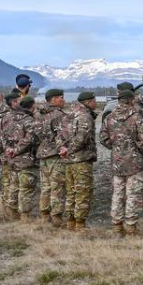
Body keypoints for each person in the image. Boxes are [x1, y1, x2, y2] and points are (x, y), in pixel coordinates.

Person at [100, 89, 143, 235]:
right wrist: (139, 152)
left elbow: (103, 138)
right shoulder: (136, 117)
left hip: (117, 162)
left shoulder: (109, 117)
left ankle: (117, 225)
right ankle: (131, 226)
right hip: (134, 162)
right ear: (131, 100)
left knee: (118, 193)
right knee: (133, 194)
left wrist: (117, 148)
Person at [59, 91, 99, 231]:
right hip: (81, 160)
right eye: (94, 101)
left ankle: (70, 223)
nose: (96, 103)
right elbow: (82, 138)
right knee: (83, 192)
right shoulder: (85, 116)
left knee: (71, 192)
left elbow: (59, 136)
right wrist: (69, 150)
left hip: (68, 161)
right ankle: (80, 225)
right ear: (87, 102)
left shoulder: (68, 115)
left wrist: (63, 150)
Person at [35, 89, 69, 227]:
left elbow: (36, 134)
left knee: (45, 186)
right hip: (55, 155)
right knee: (57, 187)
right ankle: (56, 217)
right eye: (61, 97)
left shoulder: (39, 114)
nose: (63, 100)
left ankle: (44, 215)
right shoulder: (59, 115)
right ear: (53, 99)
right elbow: (64, 136)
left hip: (43, 154)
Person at [5, 95, 40, 222]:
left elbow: (3, 137)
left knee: (14, 186)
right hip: (26, 159)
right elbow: (30, 140)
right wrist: (16, 150)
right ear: (32, 106)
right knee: (26, 188)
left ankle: (11, 213)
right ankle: (25, 217)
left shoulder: (9, 119)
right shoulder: (29, 120)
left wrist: (10, 151)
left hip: (13, 159)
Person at [0, 92, 20, 221]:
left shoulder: (1, 115)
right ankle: (11, 212)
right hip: (10, 154)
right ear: (13, 102)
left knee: (6, 182)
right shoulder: (10, 116)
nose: (19, 103)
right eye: (18, 101)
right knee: (11, 183)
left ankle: (5, 210)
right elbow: (10, 137)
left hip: (4, 154)